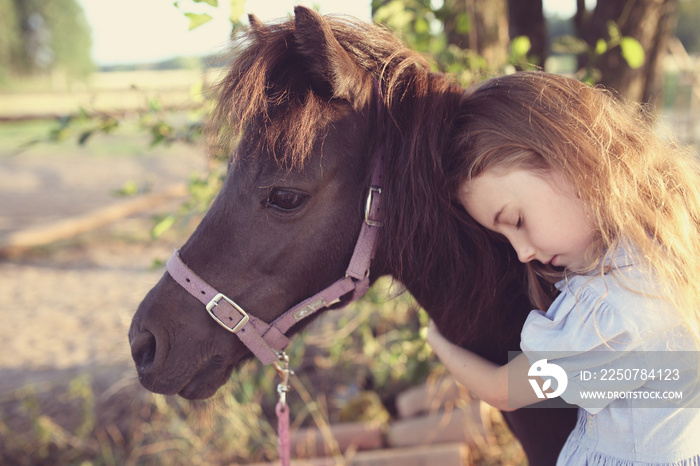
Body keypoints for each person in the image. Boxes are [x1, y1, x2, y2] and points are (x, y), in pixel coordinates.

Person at [427, 71, 700, 465]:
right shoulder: (675, 242)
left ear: (569, 158)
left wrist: (437, 339)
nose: (522, 253)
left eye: (516, 220)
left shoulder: (609, 312)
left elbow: (504, 390)